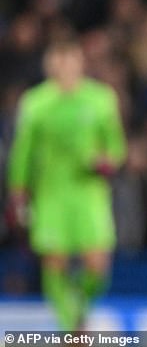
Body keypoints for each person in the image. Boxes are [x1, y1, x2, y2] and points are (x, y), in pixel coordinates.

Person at [6, 37, 127, 331]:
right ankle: (71, 330)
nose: (64, 69)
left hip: (89, 193)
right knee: (55, 263)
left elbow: (116, 148)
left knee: (98, 267)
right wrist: (18, 192)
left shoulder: (101, 99)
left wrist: (105, 162)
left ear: (80, 63)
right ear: (49, 66)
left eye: (69, 61)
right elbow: (22, 152)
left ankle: (79, 308)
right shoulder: (35, 103)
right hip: (51, 194)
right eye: (58, 63)